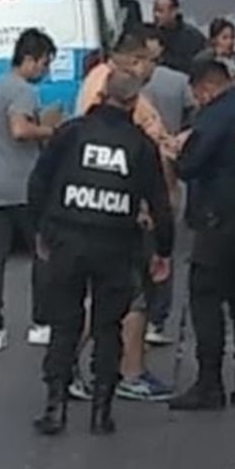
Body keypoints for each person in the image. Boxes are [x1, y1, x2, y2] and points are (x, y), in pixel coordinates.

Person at [28, 69, 174, 436]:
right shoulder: (140, 145)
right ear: (132, 102)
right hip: (115, 245)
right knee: (108, 328)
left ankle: (55, 407)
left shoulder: (71, 133)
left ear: (103, 94)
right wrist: (163, 251)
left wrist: (40, 230)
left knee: (65, 325)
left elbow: (39, 181)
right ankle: (101, 412)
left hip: (68, 239)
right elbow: (159, 202)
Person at [75, 31, 176, 400]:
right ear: (134, 62)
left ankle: (114, 368)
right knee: (130, 294)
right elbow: (130, 153)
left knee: (125, 295)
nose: (155, 68)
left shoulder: (107, 84)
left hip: (116, 209)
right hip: (127, 212)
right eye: (152, 60)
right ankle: (126, 373)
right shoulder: (113, 92)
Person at [170, 56, 235, 411]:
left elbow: (191, 165)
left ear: (205, 87)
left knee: (206, 302)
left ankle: (209, 384)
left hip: (217, 223)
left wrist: (174, 155)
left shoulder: (213, 115)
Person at [0, 28, 62, 352]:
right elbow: (19, 129)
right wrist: (49, 130)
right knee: (41, 254)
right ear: (29, 59)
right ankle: (40, 323)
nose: (45, 71)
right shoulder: (24, 91)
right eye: (44, 63)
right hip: (24, 187)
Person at [141, 26, 193, 347]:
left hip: (134, 184)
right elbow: (193, 117)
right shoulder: (178, 81)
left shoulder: (116, 82)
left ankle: (137, 312)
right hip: (167, 173)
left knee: (138, 253)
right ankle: (157, 319)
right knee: (164, 249)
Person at [151, 0, 208, 73]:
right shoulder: (150, 34)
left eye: (160, 11)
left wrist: (162, 57)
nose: (156, 15)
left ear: (173, 12)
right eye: (154, 11)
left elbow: (195, 65)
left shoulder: (192, 36)